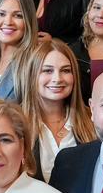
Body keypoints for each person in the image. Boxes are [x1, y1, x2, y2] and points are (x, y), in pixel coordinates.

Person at [16, 37, 95, 181]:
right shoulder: (14, 123)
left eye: (65, 70)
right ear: (32, 75)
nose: (57, 78)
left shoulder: (93, 120)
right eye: (47, 70)